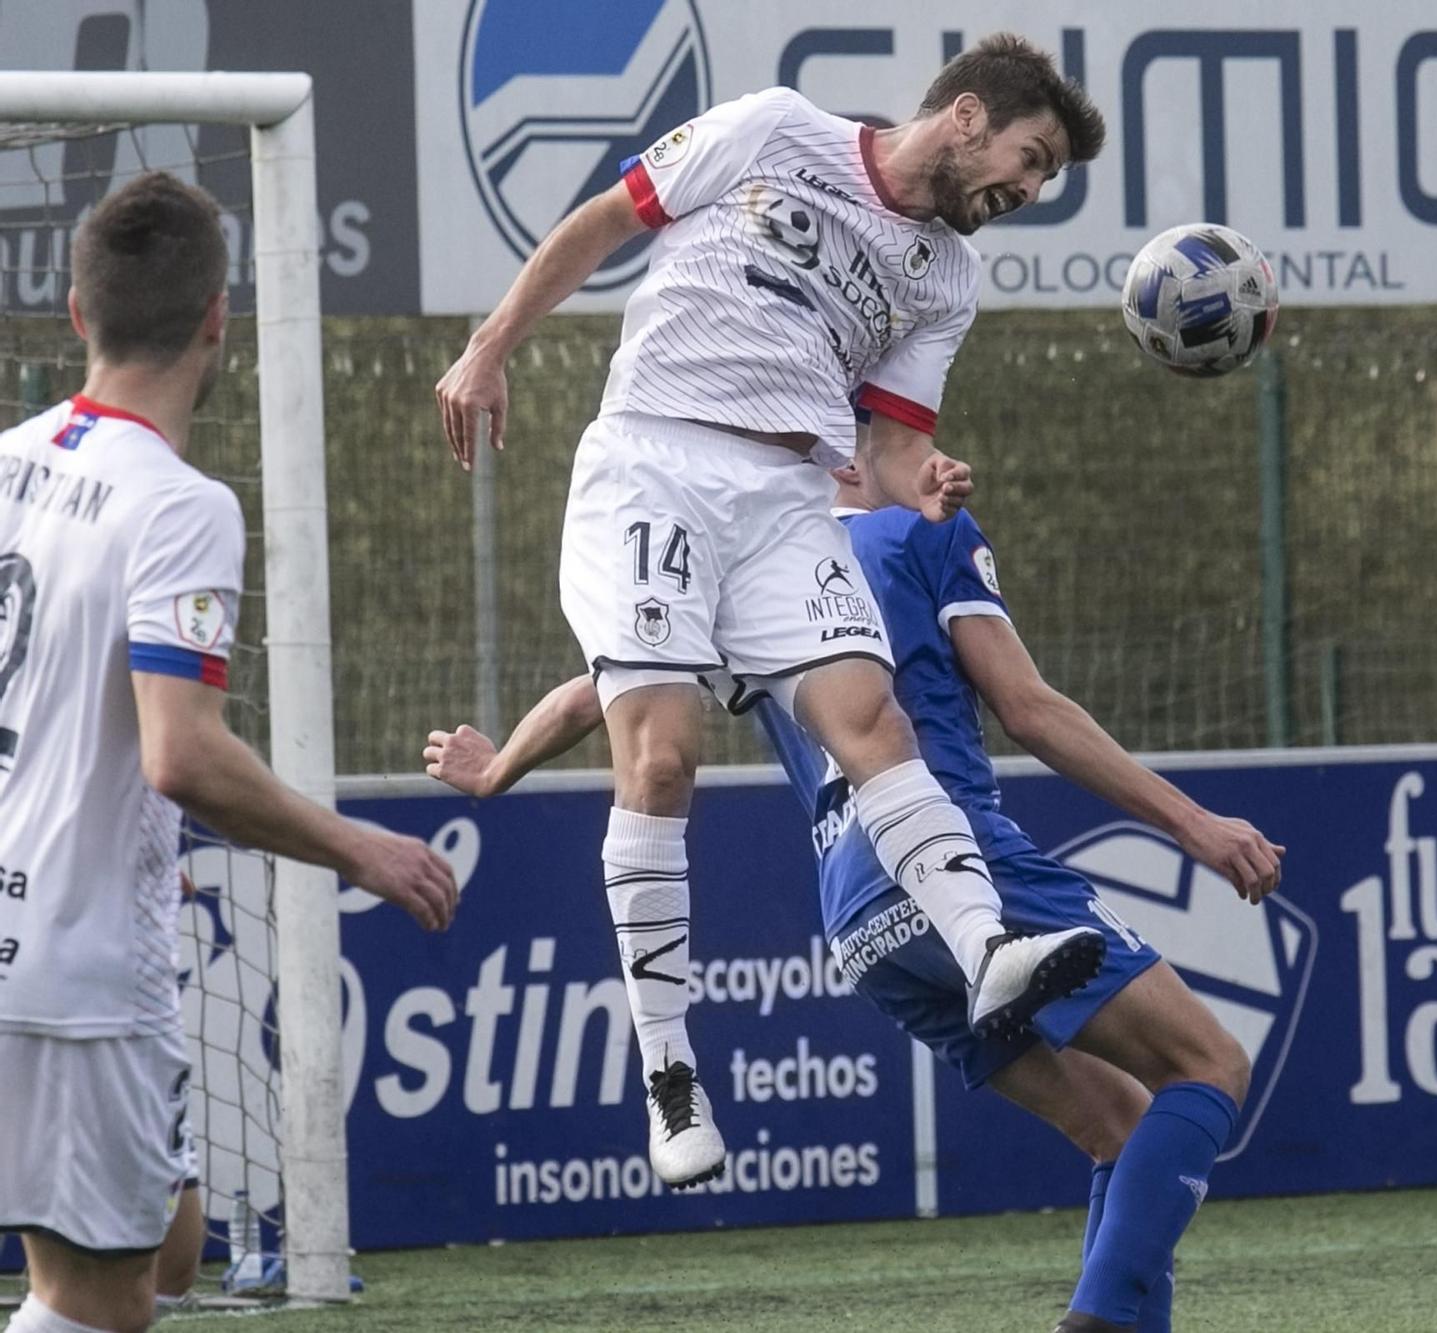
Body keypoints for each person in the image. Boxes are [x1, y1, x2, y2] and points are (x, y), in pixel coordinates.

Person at [434, 34, 1111, 1189]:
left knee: (873, 721)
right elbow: (606, 220)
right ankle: (667, 1072)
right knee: (660, 759)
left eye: (1044, 177)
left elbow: (887, 444)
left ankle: (988, 946)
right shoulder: (775, 129)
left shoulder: (945, 275)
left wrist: (924, 479)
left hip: (788, 495)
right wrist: (491, 346)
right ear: (962, 117)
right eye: (1029, 157)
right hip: (650, 462)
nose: (1028, 190)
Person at [421, 448, 1283, 1332]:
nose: (931, 452)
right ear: (857, 448)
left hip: (860, 918)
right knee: (1209, 1063)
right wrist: (1195, 825)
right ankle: (1091, 1323)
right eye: (912, 433)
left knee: (1124, 1128)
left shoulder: (747, 575)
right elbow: (1029, 708)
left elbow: (587, 695)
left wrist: (496, 771)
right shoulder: (920, 533)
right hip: (952, 855)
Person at [0, 172, 458, 1333]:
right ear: (219, 316)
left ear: (74, 310)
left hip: (44, 943)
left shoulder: (5, 460)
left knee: (160, 1255)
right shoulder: (180, 505)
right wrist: (359, 848)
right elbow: (182, 755)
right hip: (69, 961)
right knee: (104, 1298)